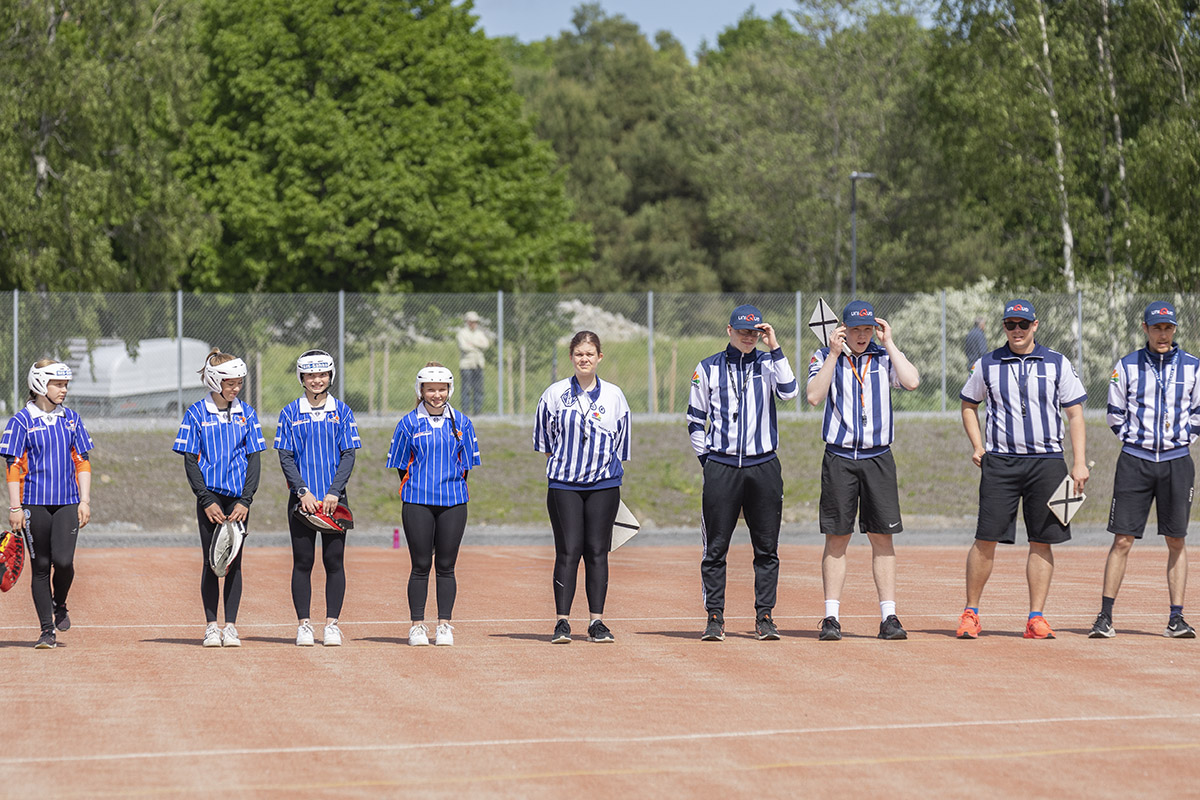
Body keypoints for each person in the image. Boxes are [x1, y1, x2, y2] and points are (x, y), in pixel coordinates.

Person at [957, 299, 1088, 640]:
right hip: (1001, 462)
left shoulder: (1057, 362)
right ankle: (971, 613)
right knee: (985, 538)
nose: (1017, 330)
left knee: (1042, 541)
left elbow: (1075, 414)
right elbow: (968, 405)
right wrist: (978, 446)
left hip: (1047, 462)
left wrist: (1078, 462)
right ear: (1003, 327)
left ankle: (1036, 618)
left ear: (1035, 325)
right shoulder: (987, 363)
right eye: (1010, 324)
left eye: (1023, 324)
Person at [806, 301, 920, 641]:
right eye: (855, 329)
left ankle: (889, 617)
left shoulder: (883, 357)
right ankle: (831, 617)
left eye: (867, 329)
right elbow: (813, 396)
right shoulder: (823, 356)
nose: (861, 335)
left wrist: (890, 343)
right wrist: (833, 353)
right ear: (842, 329)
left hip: (878, 458)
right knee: (837, 537)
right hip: (839, 457)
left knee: (882, 537)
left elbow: (912, 381)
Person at [687, 304, 799, 642]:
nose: (748, 337)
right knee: (715, 548)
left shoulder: (768, 363)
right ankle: (715, 616)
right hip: (721, 466)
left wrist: (775, 346)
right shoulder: (707, 367)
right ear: (729, 330)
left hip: (763, 465)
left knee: (766, 548)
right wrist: (709, 462)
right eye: (742, 331)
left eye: (754, 332)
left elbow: (790, 391)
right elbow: (695, 420)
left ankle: (765, 616)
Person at [1090, 302, 1199, 639]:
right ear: (1145, 329)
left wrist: (1183, 438)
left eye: (1168, 328)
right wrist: (1135, 439)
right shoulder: (1126, 366)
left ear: (1174, 329)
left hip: (1177, 461)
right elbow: (1114, 412)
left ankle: (1176, 618)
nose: (1162, 334)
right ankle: (1105, 617)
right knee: (1122, 539)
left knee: (1176, 539)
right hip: (1135, 462)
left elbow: (1198, 411)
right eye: (1156, 328)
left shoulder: (1193, 367)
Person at [533, 332, 630, 644]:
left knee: (597, 552)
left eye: (589, 354)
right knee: (568, 550)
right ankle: (562, 622)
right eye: (578, 354)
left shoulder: (615, 396)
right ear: (571, 357)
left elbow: (621, 444)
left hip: (604, 484)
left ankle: (596, 622)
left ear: (600, 357)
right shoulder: (554, 394)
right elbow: (546, 443)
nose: (584, 359)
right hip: (565, 485)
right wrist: (569, 466)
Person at [173, 349, 266, 648]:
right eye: (230, 383)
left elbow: (254, 459)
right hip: (210, 499)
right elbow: (190, 460)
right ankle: (212, 627)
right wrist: (205, 499)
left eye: (239, 383)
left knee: (234, 563)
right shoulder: (196, 413)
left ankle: (231, 627)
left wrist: (246, 500)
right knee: (212, 562)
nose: (236, 388)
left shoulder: (247, 413)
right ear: (215, 381)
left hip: (238, 500)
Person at [1, 360, 94, 649]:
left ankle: (60, 603)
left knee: (63, 562)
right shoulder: (21, 421)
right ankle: (46, 631)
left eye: (66, 384)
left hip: (67, 502)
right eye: (58, 384)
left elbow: (82, 461)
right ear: (40, 385)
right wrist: (15, 507)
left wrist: (85, 500)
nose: (64, 390)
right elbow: (13, 466)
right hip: (33, 503)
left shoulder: (72, 419)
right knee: (40, 565)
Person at [387, 363, 481, 647]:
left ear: (449, 389)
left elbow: (466, 465)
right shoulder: (408, 423)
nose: (437, 395)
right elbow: (401, 465)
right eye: (431, 389)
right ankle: (417, 626)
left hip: (453, 502)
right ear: (421, 390)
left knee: (446, 565)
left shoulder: (462, 423)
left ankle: (444, 625)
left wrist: (449, 487)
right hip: (417, 501)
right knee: (420, 564)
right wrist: (419, 486)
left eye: (442, 389)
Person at [275, 350, 362, 647]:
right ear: (301, 377)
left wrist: (334, 492)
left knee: (334, 561)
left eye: (322, 374)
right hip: (302, 502)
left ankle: (332, 625)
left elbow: (348, 454)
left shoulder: (342, 411)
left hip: (334, 500)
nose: (317, 380)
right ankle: (304, 625)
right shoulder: (289, 412)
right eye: (311, 375)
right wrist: (303, 492)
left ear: (330, 376)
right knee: (303, 561)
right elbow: (285, 456)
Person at [457, 311, 489, 416]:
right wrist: (478, 346)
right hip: (466, 365)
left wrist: (472, 344)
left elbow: (486, 344)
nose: (474, 324)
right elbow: (464, 347)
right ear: (468, 321)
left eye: (476, 321)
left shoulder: (479, 333)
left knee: (478, 388)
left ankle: (477, 410)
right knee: (466, 388)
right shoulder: (462, 333)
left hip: (478, 364)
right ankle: (466, 410)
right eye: (472, 321)